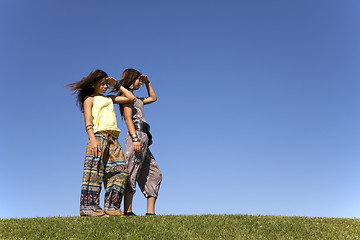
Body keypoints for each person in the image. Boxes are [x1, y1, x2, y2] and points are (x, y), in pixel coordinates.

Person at [67, 69, 135, 217]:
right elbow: (87, 122)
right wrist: (92, 139)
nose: (105, 87)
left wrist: (116, 85)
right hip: (98, 137)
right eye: (102, 84)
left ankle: (112, 208)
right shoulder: (89, 99)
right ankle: (89, 209)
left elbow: (131, 98)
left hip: (113, 139)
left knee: (121, 172)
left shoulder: (110, 98)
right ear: (93, 84)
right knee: (94, 172)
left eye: (106, 84)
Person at [118, 68, 162, 216]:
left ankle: (150, 213)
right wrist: (135, 138)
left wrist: (147, 82)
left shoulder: (136, 99)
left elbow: (153, 97)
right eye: (138, 80)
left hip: (144, 137)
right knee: (131, 170)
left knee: (154, 172)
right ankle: (128, 211)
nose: (140, 83)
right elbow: (128, 119)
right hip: (135, 136)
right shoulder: (127, 97)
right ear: (130, 79)